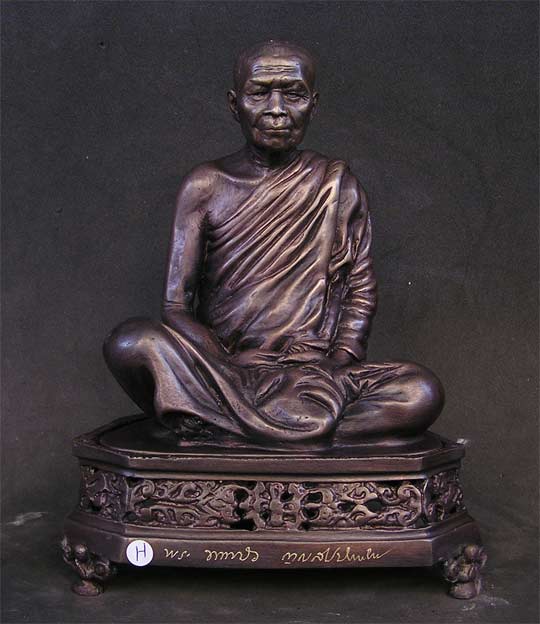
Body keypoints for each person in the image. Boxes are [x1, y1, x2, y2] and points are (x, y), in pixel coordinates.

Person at [104, 40, 444, 445]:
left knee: (420, 392)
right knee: (131, 343)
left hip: (311, 372)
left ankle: (228, 424)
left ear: (313, 104)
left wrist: (337, 363)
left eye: (294, 94)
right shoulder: (206, 185)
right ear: (235, 104)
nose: (277, 110)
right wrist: (225, 362)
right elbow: (176, 307)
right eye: (260, 93)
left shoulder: (336, 185)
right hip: (227, 370)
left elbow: (359, 289)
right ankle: (297, 427)